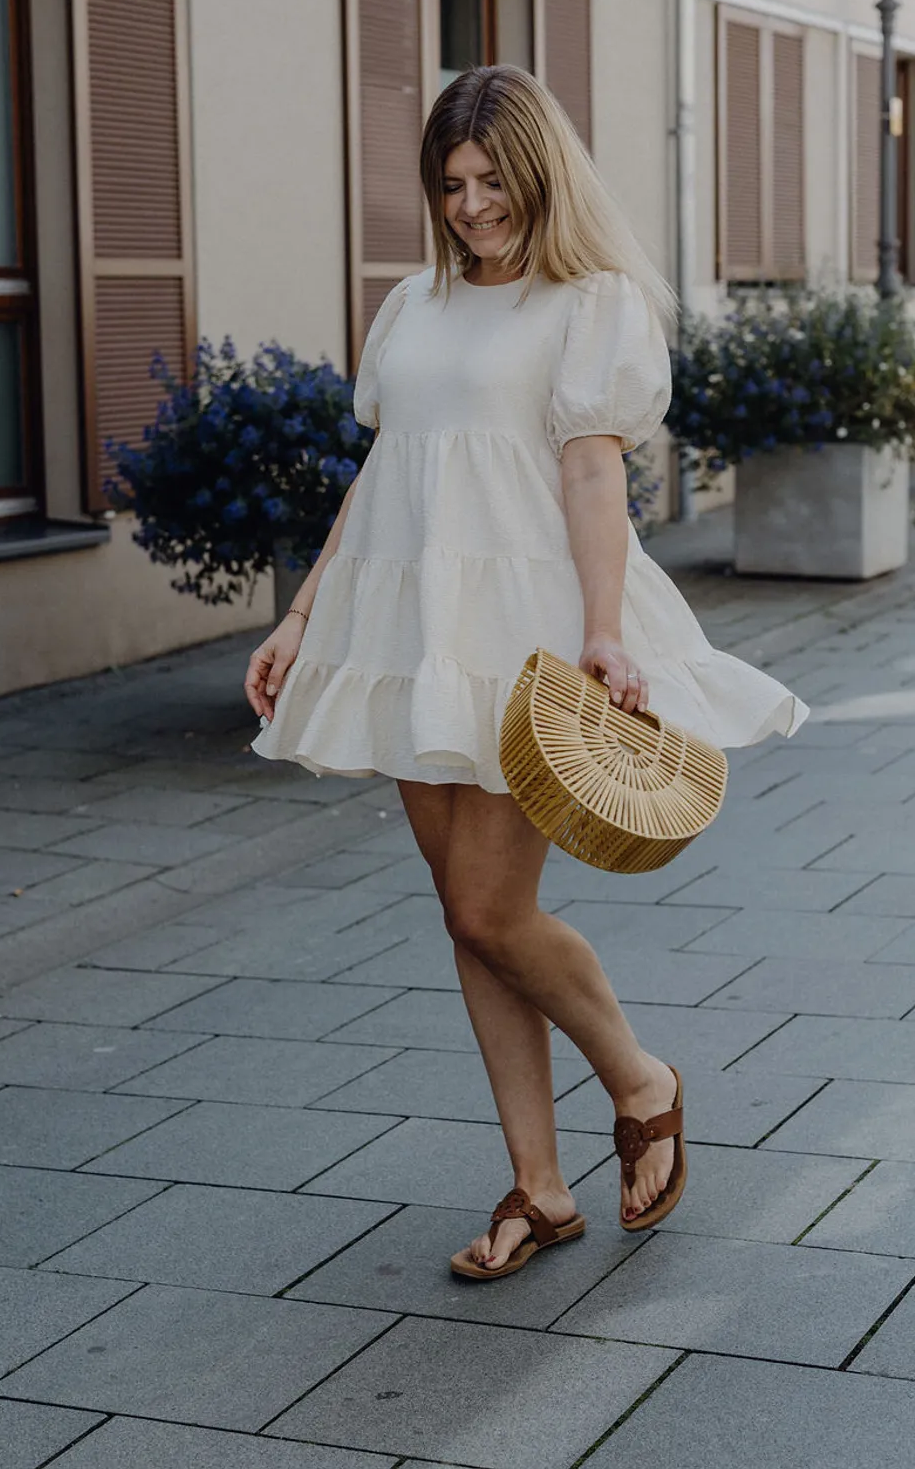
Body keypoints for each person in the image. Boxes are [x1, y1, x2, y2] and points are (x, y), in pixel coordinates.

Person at [245, 65, 806, 1279]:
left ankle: (643, 1082)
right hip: (408, 631)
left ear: (540, 175)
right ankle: (538, 1190)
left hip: (524, 627)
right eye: (451, 185)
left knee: (489, 909)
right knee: (469, 920)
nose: (472, 206)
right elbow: (386, 479)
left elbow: (594, 474)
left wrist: (603, 631)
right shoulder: (411, 307)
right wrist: (301, 617)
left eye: (493, 181)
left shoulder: (589, 304)